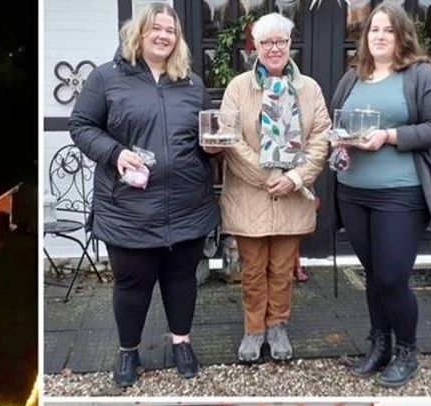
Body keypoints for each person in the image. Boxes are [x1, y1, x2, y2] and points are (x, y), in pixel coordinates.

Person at [68, 2, 220, 385]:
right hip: (129, 207)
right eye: (156, 28)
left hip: (187, 203)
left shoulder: (192, 83)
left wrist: (215, 146)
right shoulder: (107, 78)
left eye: (171, 30)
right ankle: (128, 351)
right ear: (139, 32)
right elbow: (81, 126)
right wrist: (115, 153)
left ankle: (181, 341)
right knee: (132, 283)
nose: (164, 35)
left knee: (182, 278)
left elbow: (205, 136)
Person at [331, 3, 431, 387]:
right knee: (373, 275)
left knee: (392, 278)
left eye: (388, 30)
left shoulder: (421, 75)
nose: (379, 36)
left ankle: (407, 352)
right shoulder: (353, 77)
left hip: (400, 194)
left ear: (402, 36)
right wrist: (339, 144)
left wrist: (390, 136)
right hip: (353, 193)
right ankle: (379, 345)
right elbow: (337, 122)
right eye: (373, 30)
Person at [217, 12, 330, 363]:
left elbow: (321, 137)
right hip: (250, 195)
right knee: (252, 270)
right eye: (266, 42)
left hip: (292, 195)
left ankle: (278, 325)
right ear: (256, 47)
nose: (274, 48)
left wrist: (295, 179)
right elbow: (230, 138)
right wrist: (268, 177)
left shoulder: (309, 88)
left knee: (281, 270)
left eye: (280, 41)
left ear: (289, 44)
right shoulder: (238, 87)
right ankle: (254, 330)